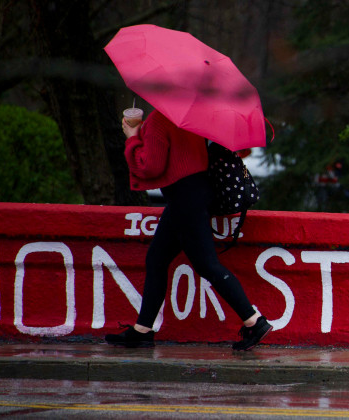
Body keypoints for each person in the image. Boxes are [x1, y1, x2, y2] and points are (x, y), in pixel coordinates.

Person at [105, 110, 272, 351]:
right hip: (192, 194)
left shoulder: (159, 119)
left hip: (185, 199)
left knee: (207, 265)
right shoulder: (190, 117)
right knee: (157, 259)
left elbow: (149, 167)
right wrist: (144, 134)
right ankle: (142, 329)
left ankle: (254, 321)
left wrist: (132, 137)